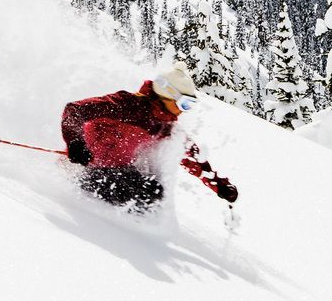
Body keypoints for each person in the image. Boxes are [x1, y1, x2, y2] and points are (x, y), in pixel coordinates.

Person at [60, 61, 238, 210]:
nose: (184, 111)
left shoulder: (165, 126)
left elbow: (191, 156)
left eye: (189, 105)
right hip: (85, 167)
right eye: (184, 104)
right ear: (168, 94)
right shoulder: (126, 105)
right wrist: (76, 143)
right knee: (147, 195)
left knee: (152, 191)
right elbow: (74, 110)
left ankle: (141, 237)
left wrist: (219, 185)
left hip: (118, 171)